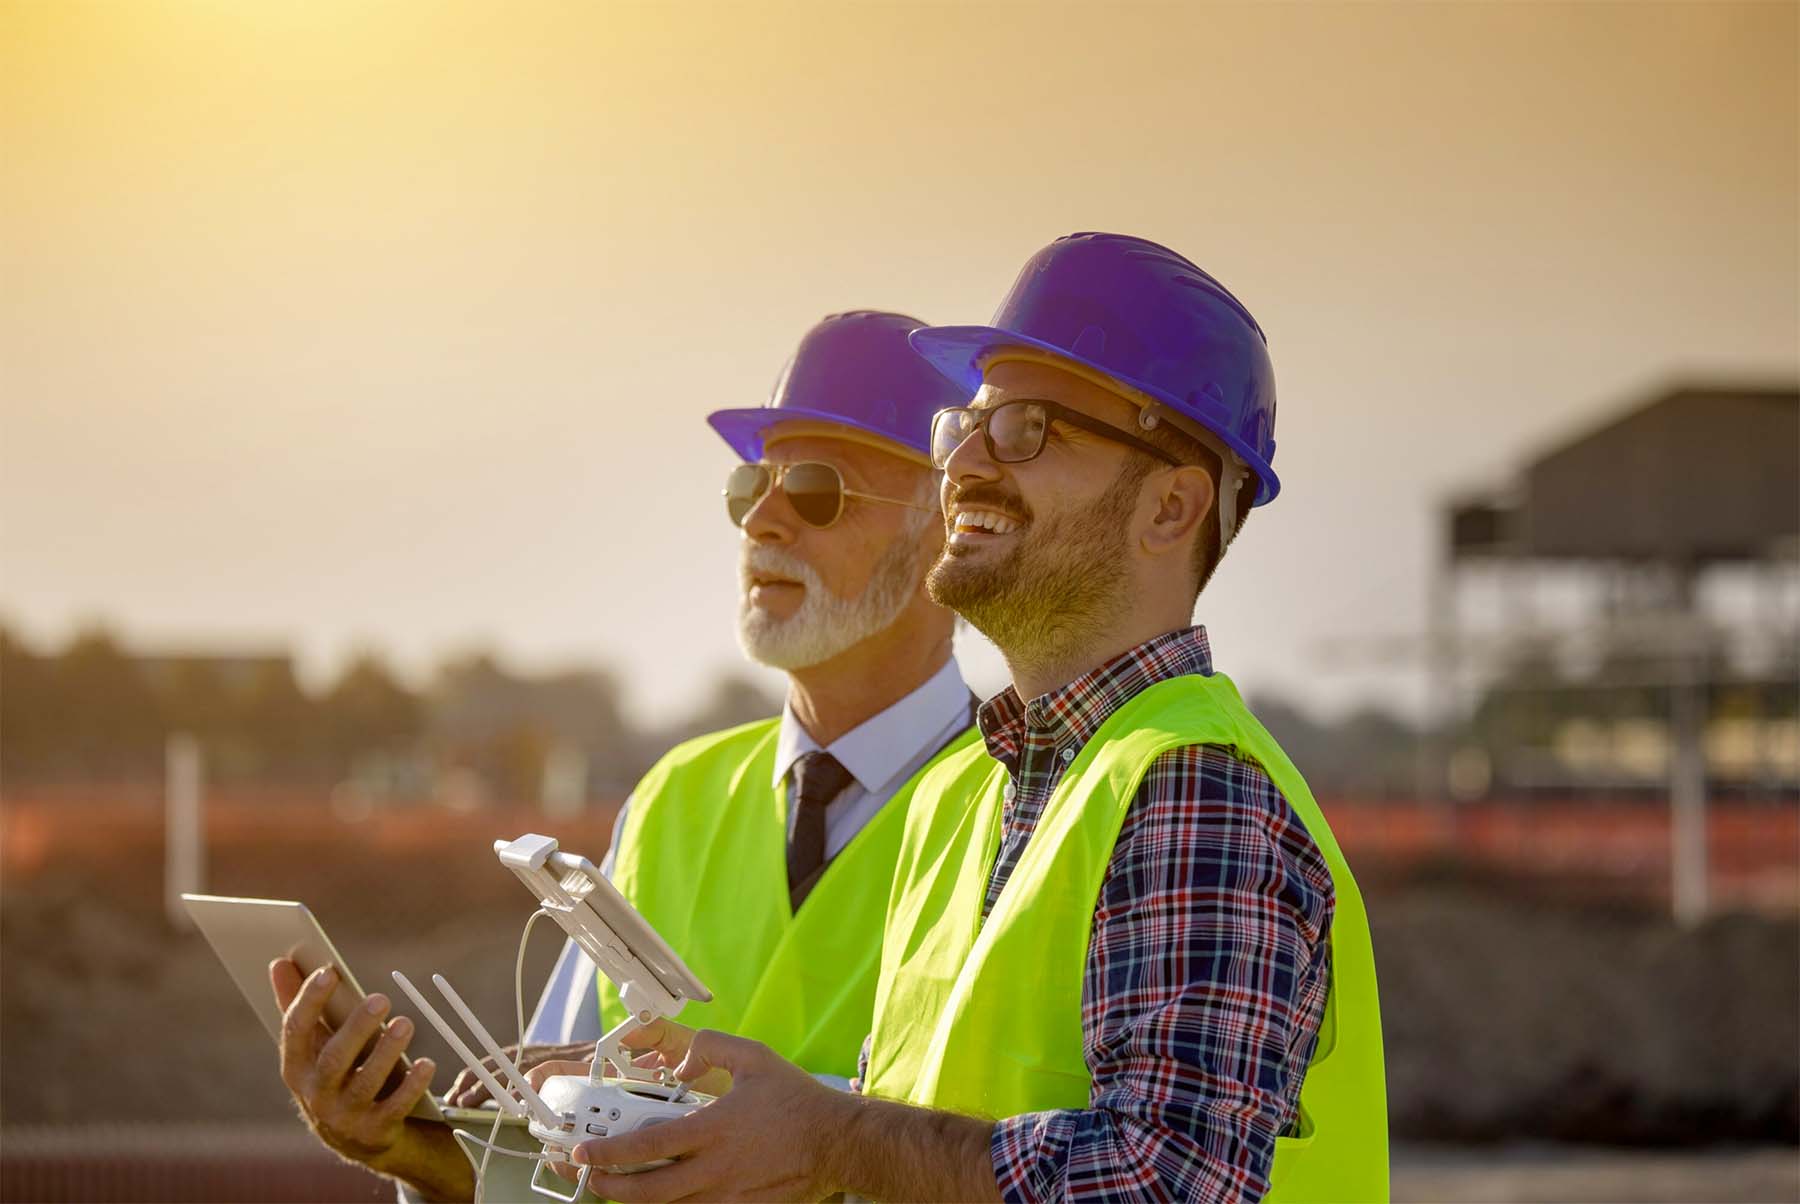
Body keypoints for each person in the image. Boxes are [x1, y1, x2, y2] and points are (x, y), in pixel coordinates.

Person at [549, 234, 1388, 1203]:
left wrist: (828, 1137)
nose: (966, 465)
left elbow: (1167, 1185)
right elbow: (897, 1151)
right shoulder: (957, 797)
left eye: (1028, 428)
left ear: (1170, 506)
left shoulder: (1195, 783)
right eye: (969, 424)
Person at [269, 309, 981, 1202]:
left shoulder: (1027, 806)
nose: (760, 518)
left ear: (945, 526)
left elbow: (1032, 1155)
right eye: (747, 486)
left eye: (813, 488)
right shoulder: (673, 797)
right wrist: (398, 1149)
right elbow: (547, 1174)